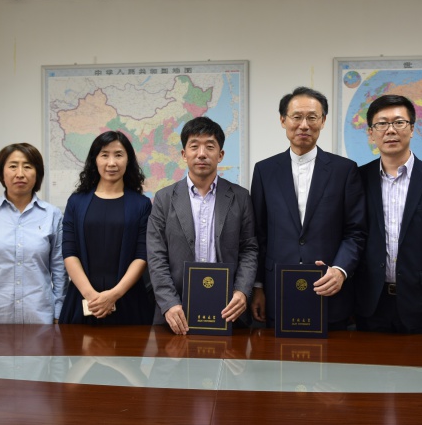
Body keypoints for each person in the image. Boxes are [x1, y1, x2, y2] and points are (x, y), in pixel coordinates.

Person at [250, 86, 366, 329]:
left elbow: (355, 231)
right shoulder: (264, 171)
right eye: (297, 117)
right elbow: (259, 234)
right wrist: (258, 286)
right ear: (283, 120)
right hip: (277, 290)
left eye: (312, 117)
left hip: (329, 288)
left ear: (323, 121)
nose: (304, 125)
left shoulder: (344, 170)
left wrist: (340, 270)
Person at [355, 95, 422, 335]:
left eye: (399, 122)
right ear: (371, 133)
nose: (390, 130)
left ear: (412, 129)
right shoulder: (358, 180)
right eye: (382, 124)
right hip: (370, 303)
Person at [147, 116, 258, 335]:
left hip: (228, 309)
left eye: (209, 146)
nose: (201, 154)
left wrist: (242, 291)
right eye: (194, 146)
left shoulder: (240, 197)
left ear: (221, 155)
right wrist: (169, 303)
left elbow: (249, 249)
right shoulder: (164, 198)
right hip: (177, 311)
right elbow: (156, 255)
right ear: (183, 154)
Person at [0, 143, 66, 324]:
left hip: (38, 317)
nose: (20, 174)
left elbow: (59, 269)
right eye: (13, 166)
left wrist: (58, 313)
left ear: (37, 173)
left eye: (28, 167)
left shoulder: (52, 215)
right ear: (2, 173)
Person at [58, 131, 154, 325]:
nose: (112, 163)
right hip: (82, 301)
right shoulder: (76, 202)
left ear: (128, 160)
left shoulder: (142, 205)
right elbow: (69, 251)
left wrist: (113, 295)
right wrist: (92, 297)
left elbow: (142, 255)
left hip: (129, 302)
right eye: (104, 155)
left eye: (118, 155)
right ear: (95, 160)